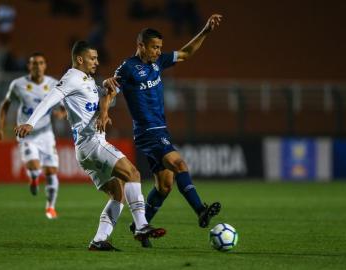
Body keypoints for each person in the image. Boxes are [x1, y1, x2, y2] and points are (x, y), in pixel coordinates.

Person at [14, 41, 166, 251]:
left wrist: (108, 93)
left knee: (117, 194)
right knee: (133, 174)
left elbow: (100, 103)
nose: (97, 61)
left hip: (85, 150)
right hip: (93, 143)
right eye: (92, 58)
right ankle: (141, 225)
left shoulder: (87, 80)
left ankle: (99, 240)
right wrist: (31, 122)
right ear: (80, 59)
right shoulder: (71, 78)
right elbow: (49, 100)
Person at [102, 14, 223, 248]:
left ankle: (141, 228)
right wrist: (105, 110)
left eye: (160, 48)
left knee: (164, 186)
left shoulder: (158, 63)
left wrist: (206, 30)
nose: (158, 51)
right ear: (141, 46)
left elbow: (186, 53)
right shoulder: (128, 68)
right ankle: (200, 210)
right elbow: (110, 89)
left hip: (160, 130)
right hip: (149, 132)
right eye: (154, 47)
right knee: (179, 164)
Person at [0, 52, 64, 219]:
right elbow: (5, 105)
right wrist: (0, 128)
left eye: (41, 63)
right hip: (26, 134)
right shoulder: (18, 85)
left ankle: (50, 207)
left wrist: (62, 113)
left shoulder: (54, 84)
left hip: (46, 133)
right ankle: (33, 178)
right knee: (34, 166)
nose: (38, 66)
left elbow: (63, 107)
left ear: (45, 66)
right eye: (34, 63)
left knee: (51, 171)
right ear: (29, 66)